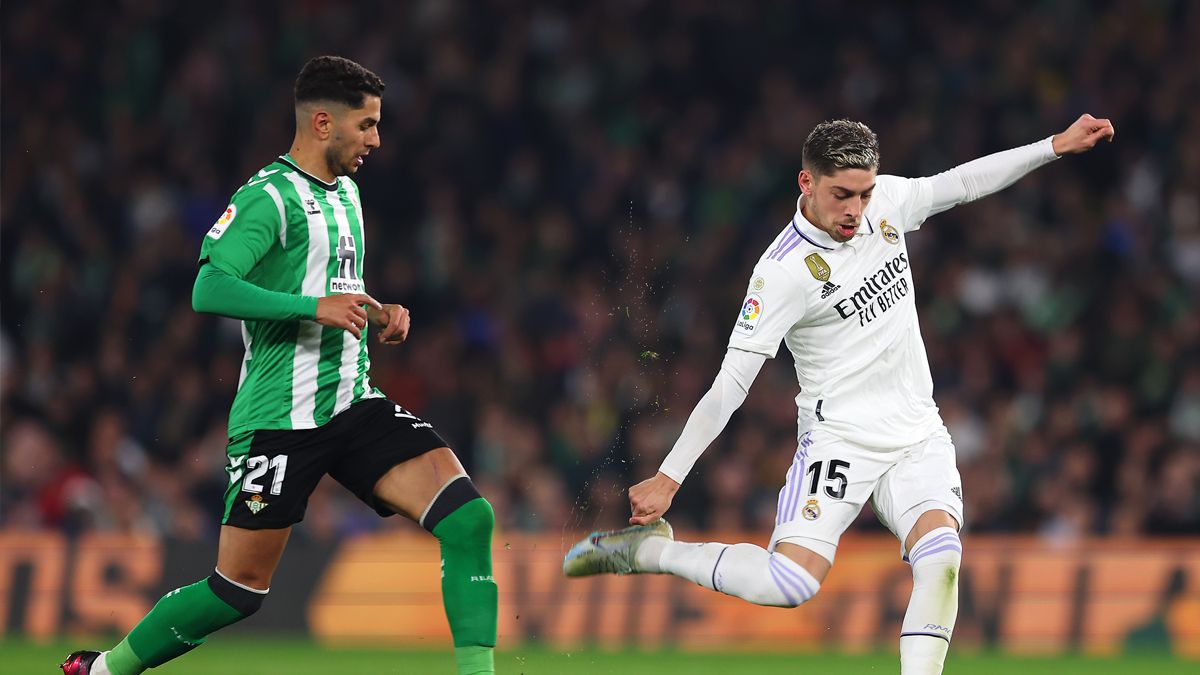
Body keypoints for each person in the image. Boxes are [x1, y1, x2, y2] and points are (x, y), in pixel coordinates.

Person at [564, 114, 1115, 674]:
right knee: (790, 583)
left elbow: (964, 182)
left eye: (865, 192)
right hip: (840, 442)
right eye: (841, 195)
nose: (855, 209)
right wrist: (669, 475)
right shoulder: (780, 274)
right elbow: (732, 383)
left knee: (942, 558)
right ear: (806, 184)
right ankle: (652, 551)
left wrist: (1055, 146)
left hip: (916, 433)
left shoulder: (885, 205)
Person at [62, 56, 498, 675]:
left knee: (468, 519)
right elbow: (209, 287)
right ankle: (102, 670)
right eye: (367, 125)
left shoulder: (347, 192)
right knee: (237, 591)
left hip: (353, 400)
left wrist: (378, 313)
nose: (376, 139)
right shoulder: (267, 197)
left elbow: (335, 287)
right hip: (279, 420)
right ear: (323, 123)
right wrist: (311, 307)